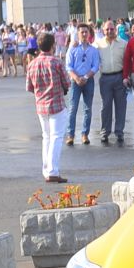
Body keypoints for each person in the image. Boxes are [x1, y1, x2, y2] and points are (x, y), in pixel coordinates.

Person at [25, 32, 69, 182]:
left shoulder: (32, 64)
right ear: (52, 46)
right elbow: (67, 83)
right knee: (56, 137)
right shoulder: (56, 62)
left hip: (41, 105)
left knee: (46, 137)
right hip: (56, 104)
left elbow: (29, 87)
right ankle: (53, 171)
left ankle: (46, 169)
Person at [64, 24, 99, 145]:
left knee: (87, 109)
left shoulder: (93, 50)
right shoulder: (72, 48)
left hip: (88, 80)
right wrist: (76, 78)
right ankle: (70, 135)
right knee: (73, 108)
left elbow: (95, 66)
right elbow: (68, 66)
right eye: (82, 32)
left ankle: (85, 134)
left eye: (86, 32)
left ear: (89, 34)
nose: (84, 34)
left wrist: (85, 77)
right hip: (75, 81)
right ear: (78, 34)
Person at [96, 23, 127, 145]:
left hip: (120, 77)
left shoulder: (123, 44)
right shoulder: (97, 44)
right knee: (106, 106)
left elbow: (128, 61)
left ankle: (119, 131)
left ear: (116, 30)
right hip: (105, 78)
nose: (110, 31)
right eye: (107, 29)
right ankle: (105, 132)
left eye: (112, 29)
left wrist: (127, 77)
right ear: (103, 31)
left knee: (121, 106)